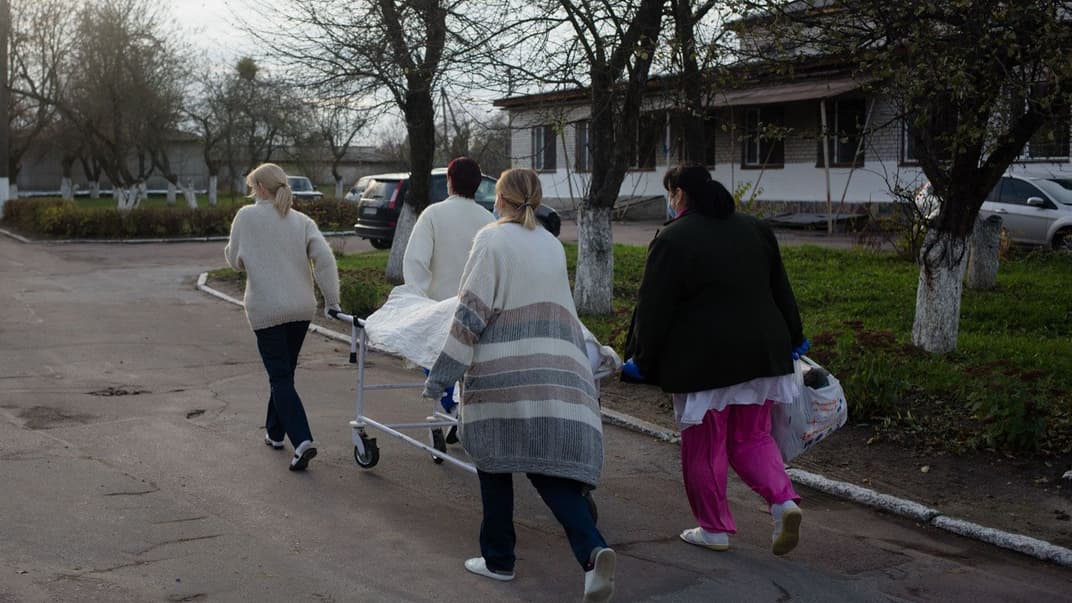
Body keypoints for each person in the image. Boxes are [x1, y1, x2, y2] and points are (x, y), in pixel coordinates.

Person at [423, 168, 616, 602]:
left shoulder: (490, 240)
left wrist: (441, 378)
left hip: (502, 374)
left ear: (501, 199)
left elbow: (471, 315)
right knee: (546, 470)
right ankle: (592, 551)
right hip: (557, 371)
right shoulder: (550, 244)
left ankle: (499, 560)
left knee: (494, 465)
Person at [622, 163, 810, 556]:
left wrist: (642, 357)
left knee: (705, 447)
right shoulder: (755, 228)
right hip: (763, 354)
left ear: (679, 195)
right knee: (752, 437)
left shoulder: (673, 238)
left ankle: (714, 528)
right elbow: (780, 287)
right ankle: (783, 502)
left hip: (704, 362)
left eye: (670, 194)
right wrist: (795, 337)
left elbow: (654, 306)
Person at [224, 162, 341, 471]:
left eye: (252, 188)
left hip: (266, 309)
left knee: (279, 376)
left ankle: (302, 440)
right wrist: (333, 301)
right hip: (301, 308)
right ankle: (275, 433)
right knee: (284, 374)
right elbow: (325, 259)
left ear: (261, 188)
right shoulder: (302, 221)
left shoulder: (246, 217)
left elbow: (234, 260)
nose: (251, 194)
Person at [404, 157, 495, 440]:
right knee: (466, 363)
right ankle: (457, 410)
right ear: (478, 186)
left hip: (438, 308)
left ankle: (450, 408)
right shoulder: (489, 220)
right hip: (477, 310)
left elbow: (416, 261)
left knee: (434, 360)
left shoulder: (433, 215)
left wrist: (416, 298)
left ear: (449, 181)